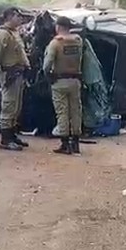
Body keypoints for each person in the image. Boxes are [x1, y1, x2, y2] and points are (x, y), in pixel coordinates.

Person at [0, 6, 29, 151]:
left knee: (16, 107)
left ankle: (12, 135)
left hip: (18, 73)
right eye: (17, 16)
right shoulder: (3, 34)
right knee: (8, 106)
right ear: (10, 17)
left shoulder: (14, 32)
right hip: (9, 74)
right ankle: (5, 139)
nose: (20, 19)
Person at [43, 16, 84, 155]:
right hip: (75, 80)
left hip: (59, 81)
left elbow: (47, 65)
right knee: (76, 111)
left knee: (62, 112)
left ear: (58, 27)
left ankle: (65, 143)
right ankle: (76, 144)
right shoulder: (78, 41)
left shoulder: (55, 43)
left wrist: (48, 76)